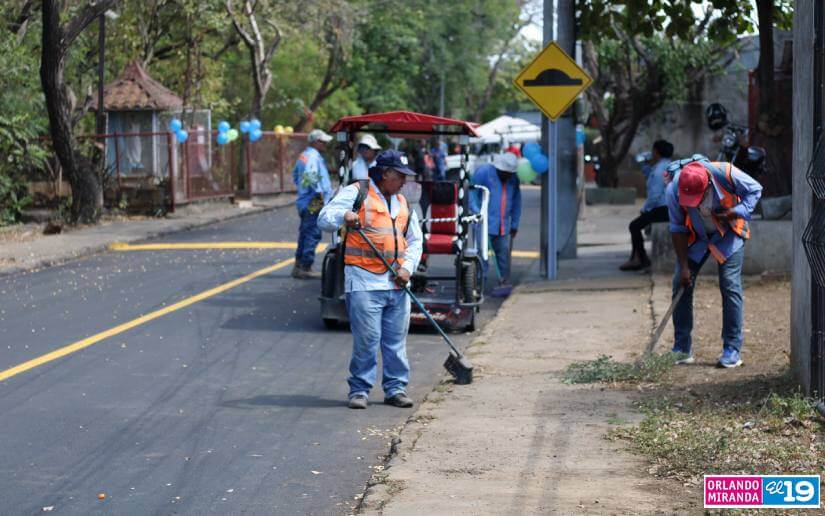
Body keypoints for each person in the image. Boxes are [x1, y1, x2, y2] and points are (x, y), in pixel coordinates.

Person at [317, 150, 423, 409]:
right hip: (365, 282)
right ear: (386, 173)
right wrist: (345, 216)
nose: (404, 182)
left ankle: (396, 389)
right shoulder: (357, 193)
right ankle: (359, 390)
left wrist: (407, 269)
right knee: (367, 338)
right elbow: (324, 218)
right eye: (400, 176)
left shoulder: (403, 203)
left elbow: (415, 240)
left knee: (396, 341)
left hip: (397, 284)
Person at [666, 158, 762, 368]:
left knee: (729, 284)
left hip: (729, 234)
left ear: (708, 183)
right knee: (679, 283)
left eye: (697, 198)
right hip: (697, 237)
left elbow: (755, 189)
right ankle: (682, 348)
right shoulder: (674, 188)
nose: (695, 204)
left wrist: (735, 212)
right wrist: (683, 267)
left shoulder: (726, 173)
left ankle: (731, 349)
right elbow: (677, 229)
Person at [470, 152, 521, 297]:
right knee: (482, 256)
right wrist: (477, 211)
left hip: (503, 225)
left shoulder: (513, 180)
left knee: (503, 255)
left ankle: (503, 281)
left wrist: (515, 223)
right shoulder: (484, 172)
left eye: (510, 173)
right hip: (484, 223)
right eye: (505, 172)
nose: (507, 175)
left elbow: (517, 201)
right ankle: (479, 286)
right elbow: (472, 193)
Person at [620, 140, 674, 271]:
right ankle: (637, 257)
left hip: (663, 209)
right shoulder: (668, 165)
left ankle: (641, 259)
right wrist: (645, 164)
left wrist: (645, 210)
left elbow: (654, 196)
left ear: (656, 152)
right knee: (637, 225)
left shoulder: (659, 170)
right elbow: (649, 174)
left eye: (653, 151)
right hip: (671, 207)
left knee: (634, 226)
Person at [291, 129, 334, 279]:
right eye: (323, 142)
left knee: (305, 231)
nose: (326, 145)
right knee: (312, 232)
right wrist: (319, 195)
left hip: (306, 199)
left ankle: (299, 265)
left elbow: (296, 177)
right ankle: (305, 266)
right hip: (314, 200)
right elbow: (311, 177)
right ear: (316, 142)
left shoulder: (304, 156)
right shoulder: (313, 157)